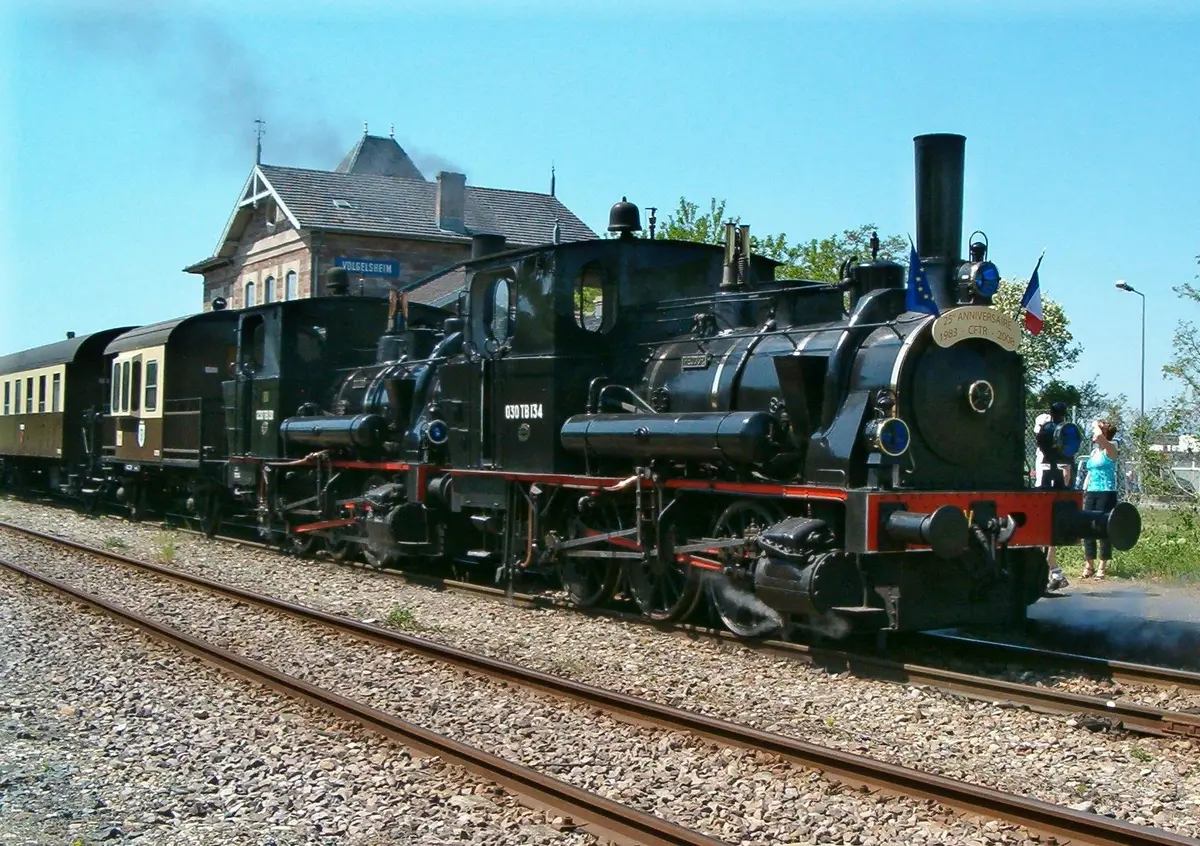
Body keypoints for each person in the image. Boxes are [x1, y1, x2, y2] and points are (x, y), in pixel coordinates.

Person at [1033, 410, 1073, 591]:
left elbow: (1065, 471)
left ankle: (1054, 574)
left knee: (1045, 537)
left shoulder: (1058, 449)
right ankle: (1054, 573)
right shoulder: (1041, 450)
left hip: (1050, 496)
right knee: (1039, 538)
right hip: (1040, 493)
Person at [1081, 419, 1120, 579]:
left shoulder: (1112, 448)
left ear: (1104, 434)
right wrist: (1084, 490)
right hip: (1092, 491)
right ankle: (1089, 564)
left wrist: (1097, 424)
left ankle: (1102, 567)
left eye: (1098, 430)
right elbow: (1090, 473)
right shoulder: (1094, 452)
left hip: (1106, 492)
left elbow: (1098, 436)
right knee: (1087, 528)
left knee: (1103, 528)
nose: (1093, 433)